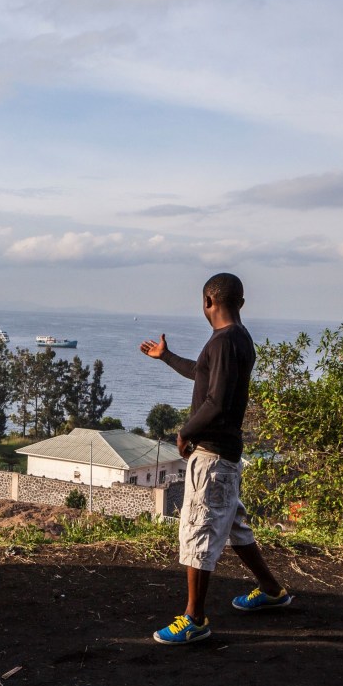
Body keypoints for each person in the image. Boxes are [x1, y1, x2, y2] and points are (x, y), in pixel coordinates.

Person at [140, 273, 292, 646]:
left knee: (198, 531)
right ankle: (271, 590)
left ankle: (194, 618)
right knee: (234, 526)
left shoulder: (224, 342)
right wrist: (167, 357)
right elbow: (203, 376)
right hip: (226, 455)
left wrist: (185, 431)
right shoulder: (237, 339)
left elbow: (216, 402)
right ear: (239, 303)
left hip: (212, 457)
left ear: (209, 301)